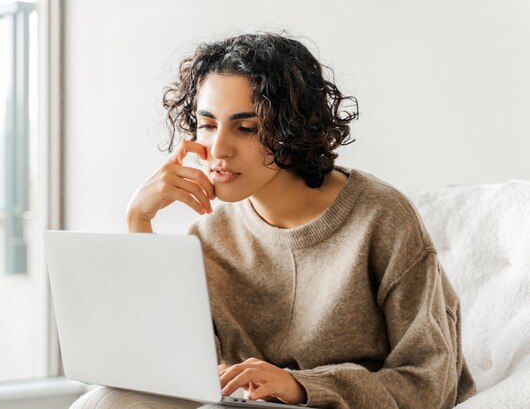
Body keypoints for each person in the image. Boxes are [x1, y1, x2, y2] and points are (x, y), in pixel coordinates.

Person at [72, 32, 477, 409]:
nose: (218, 149)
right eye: (207, 124)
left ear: (292, 129)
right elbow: (175, 373)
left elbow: (431, 382)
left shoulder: (381, 219)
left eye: (246, 128)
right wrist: (138, 221)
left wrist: (301, 386)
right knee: (103, 401)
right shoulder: (208, 234)